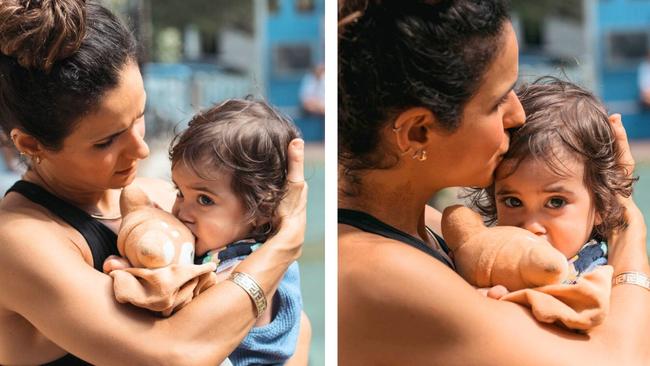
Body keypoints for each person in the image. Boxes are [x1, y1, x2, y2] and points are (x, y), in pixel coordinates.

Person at [338, 1, 650, 365]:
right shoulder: (381, 271)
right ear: (417, 131)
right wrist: (627, 225)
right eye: (498, 101)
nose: (518, 115)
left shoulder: (428, 225)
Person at [0, 1, 307, 365]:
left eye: (139, 116)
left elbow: (296, 327)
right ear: (31, 145)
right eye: (106, 141)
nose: (142, 149)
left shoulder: (164, 199)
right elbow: (174, 355)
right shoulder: (19, 242)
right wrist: (285, 244)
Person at [168, 98, 307, 365]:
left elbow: (181, 321)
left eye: (204, 200)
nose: (181, 212)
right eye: (179, 192)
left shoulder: (247, 267)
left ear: (261, 209)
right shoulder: (224, 246)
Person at [467, 78, 636, 283]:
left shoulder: (597, 277)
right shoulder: (488, 261)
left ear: (602, 204)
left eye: (556, 202)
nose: (530, 226)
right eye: (513, 201)